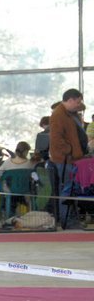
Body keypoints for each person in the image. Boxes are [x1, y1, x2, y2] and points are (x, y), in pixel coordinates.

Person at [49, 88, 86, 228]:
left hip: (73, 158)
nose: (79, 104)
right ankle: (67, 222)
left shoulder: (70, 113)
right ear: (70, 100)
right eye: (77, 102)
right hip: (65, 160)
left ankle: (72, 220)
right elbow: (56, 139)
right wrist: (69, 151)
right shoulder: (58, 115)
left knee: (70, 190)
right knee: (67, 190)